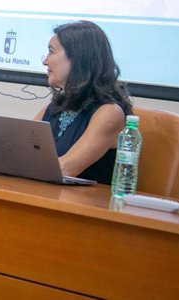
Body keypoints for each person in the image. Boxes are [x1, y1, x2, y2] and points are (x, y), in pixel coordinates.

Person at [34, 20, 132, 183]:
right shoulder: (51, 109)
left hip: (84, 206)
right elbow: (20, 154)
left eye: (51, 52)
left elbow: (66, 169)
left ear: (77, 58)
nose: (45, 61)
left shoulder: (110, 113)